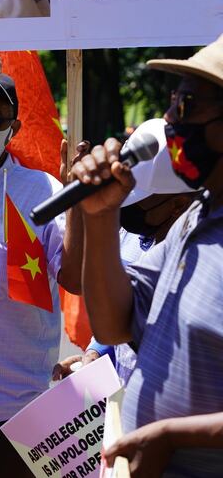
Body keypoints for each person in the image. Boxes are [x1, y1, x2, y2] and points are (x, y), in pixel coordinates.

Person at [73, 35, 223, 477]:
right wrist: (100, 216)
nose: (172, 119)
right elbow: (113, 325)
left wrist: (175, 435)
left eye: (189, 104)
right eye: (173, 100)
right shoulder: (197, 217)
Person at [0, 73, 84, 477]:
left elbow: (73, 279)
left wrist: (74, 198)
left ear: (14, 128)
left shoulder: (42, 190)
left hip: (17, 414)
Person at [52, 119, 197, 385]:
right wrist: (97, 352)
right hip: (124, 406)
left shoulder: (201, 260)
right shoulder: (130, 235)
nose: (123, 209)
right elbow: (119, 316)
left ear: (178, 203)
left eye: (136, 202)